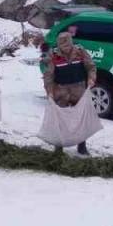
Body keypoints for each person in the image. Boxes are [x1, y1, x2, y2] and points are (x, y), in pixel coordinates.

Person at [43, 27, 97, 155]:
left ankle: (82, 146)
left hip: (78, 89)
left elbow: (91, 67)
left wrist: (91, 79)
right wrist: (49, 91)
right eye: (63, 46)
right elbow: (48, 75)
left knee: (81, 119)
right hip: (60, 90)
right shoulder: (53, 54)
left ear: (71, 43)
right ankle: (58, 148)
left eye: (67, 46)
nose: (65, 49)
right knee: (59, 120)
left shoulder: (80, 51)